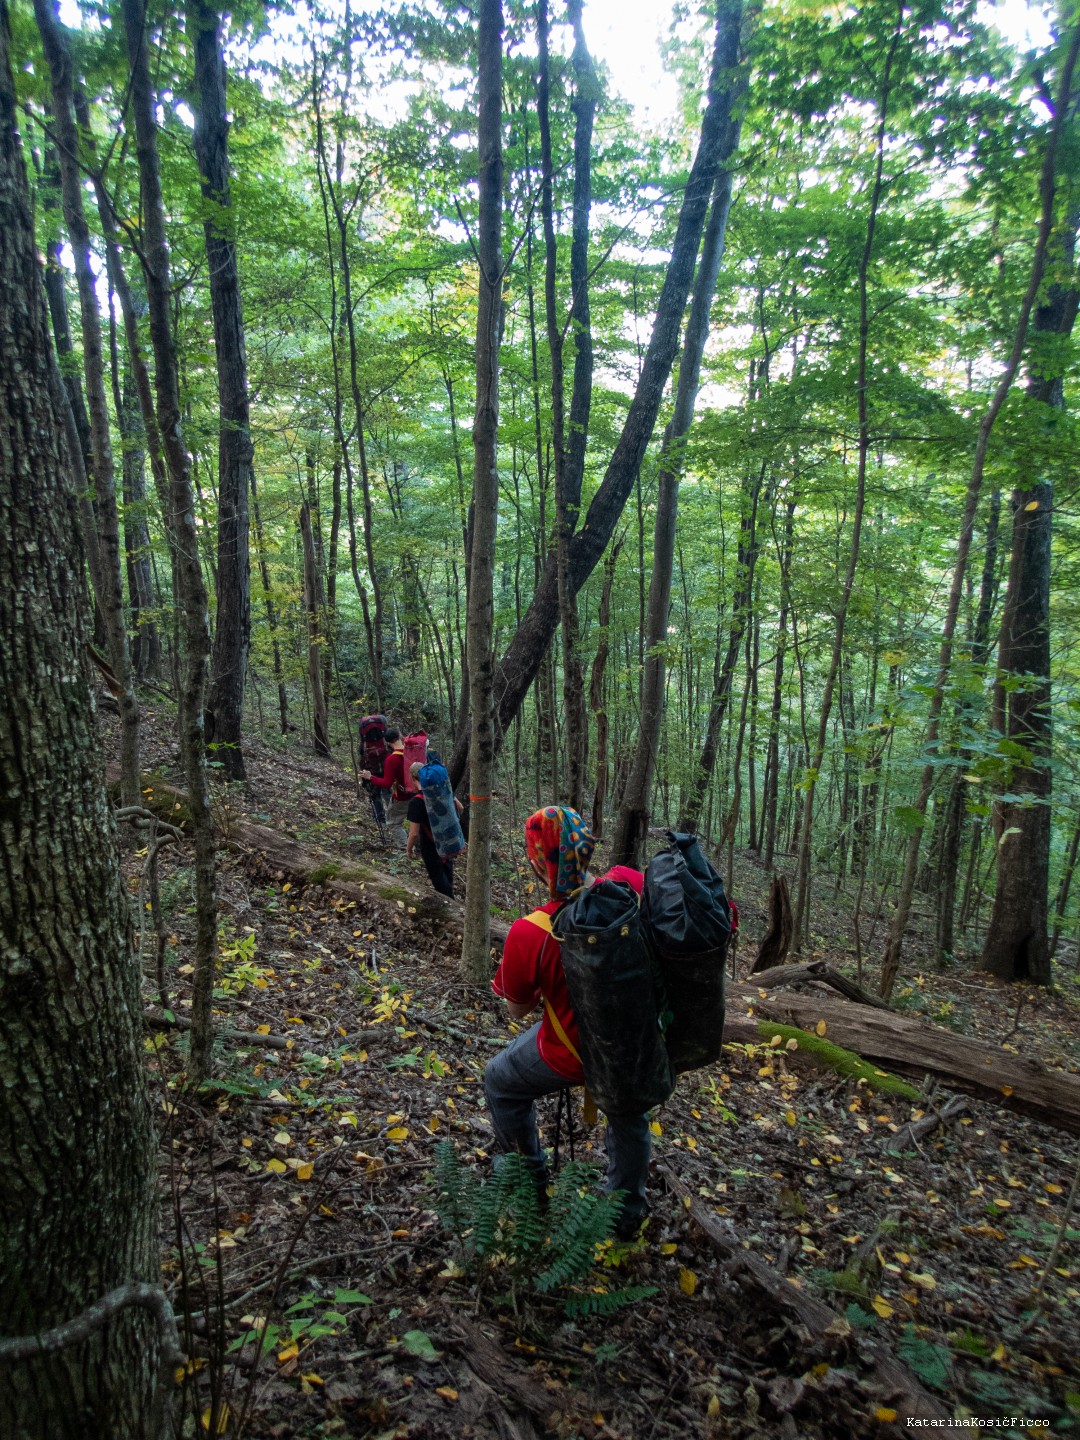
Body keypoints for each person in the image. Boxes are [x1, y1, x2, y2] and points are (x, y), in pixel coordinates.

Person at [483, 805, 650, 1241]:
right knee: (628, 1114)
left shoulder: (530, 930)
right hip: (636, 1044)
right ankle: (624, 1215)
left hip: (569, 1055)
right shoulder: (630, 886)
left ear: (539, 862)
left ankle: (529, 1183)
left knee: (500, 1080)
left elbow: (517, 1010)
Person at [405, 762, 460, 897]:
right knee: (447, 874)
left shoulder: (416, 802)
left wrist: (408, 850)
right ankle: (451, 900)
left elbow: (413, 833)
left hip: (430, 845)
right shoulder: (442, 792)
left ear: (413, 778)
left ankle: (450, 907)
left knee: (438, 878)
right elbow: (461, 808)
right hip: (448, 838)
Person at [359, 728, 409, 849]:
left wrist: (370, 777)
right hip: (420, 793)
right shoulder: (411, 751)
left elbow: (387, 783)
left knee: (393, 822)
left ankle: (406, 847)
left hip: (403, 796)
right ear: (400, 736)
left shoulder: (391, 759)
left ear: (387, 743)